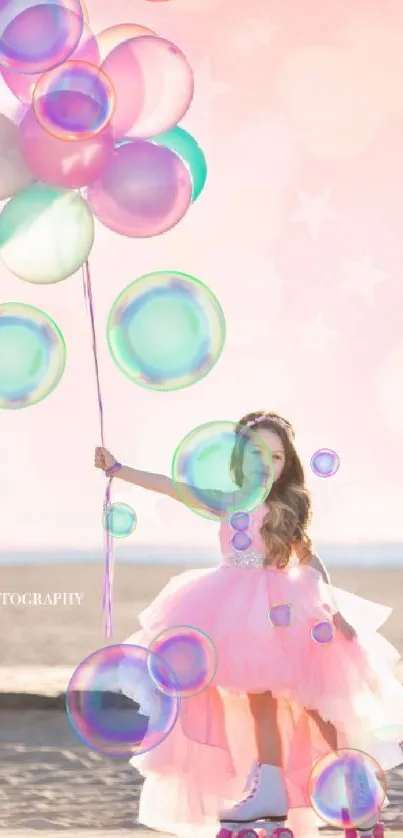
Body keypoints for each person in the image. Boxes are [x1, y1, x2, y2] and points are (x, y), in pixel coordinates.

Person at [94, 411, 403, 838]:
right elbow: (176, 488)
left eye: (276, 457)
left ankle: (352, 784)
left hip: (287, 606)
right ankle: (271, 784)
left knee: (315, 702)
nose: (267, 465)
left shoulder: (288, 502)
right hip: (234, 605)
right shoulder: (228, 498)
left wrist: (334, 610)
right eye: (257, 455)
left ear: (287, 462)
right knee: (259, 700)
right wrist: (120, 470)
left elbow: (308, 558)